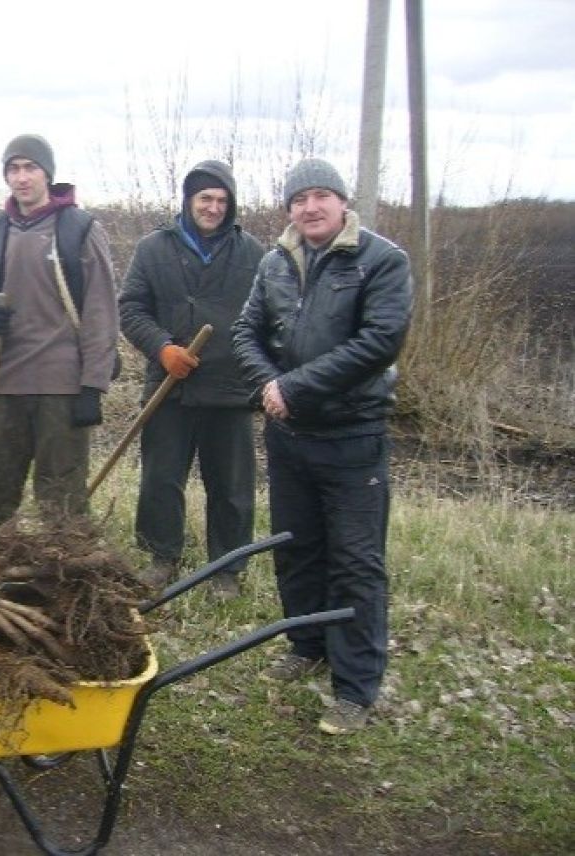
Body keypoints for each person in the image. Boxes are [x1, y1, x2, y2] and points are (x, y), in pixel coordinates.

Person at [231, 157, 412, 734]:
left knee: (356, 562)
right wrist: (269, 386)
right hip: (288, 437)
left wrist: (295, 387)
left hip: (352, 437)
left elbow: (380, 341)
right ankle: (306, 645)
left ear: (341, 201)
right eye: (298, 199)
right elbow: (245, 332)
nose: (309, 208)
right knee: (299, 548)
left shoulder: (381, 261)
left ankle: (354, 688)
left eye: (320, 196)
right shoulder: (275, 262)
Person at [0, 134, 118, 526]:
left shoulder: (79, 230)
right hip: (4, 383)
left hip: (62, 387)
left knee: (62, 501)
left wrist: (93, 387)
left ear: (48, 173)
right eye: (14, 169)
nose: (22, 177)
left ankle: (66, 564)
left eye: (30, 168)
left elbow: (101, 313)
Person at [119, 160, 263, 598]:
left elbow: (267, 318)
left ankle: (227, 568)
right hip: (170, 387)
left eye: (221, 200)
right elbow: (132, 309)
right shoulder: (153, 248)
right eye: (205, 198)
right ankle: (162, 556)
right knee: (161, 479)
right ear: (188, 200)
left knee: (231, 486)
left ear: (231, 205)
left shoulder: (253, 254)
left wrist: (259, 377)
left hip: (230, 389)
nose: (213, 208)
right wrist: (162, 348)